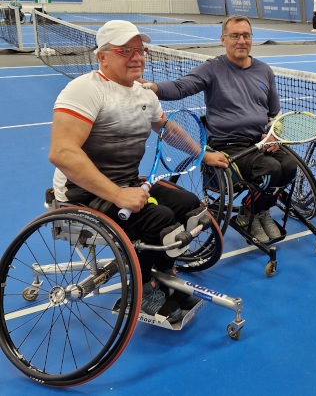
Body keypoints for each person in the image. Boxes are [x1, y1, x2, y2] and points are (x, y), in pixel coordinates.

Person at [48, 20, 228, 322]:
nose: (137, 57)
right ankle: (141, 289)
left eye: (140, 50)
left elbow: (167, 129)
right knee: (160, 220)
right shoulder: (84, 90)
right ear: (102, 57)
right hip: (83, 193)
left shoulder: (145, 93)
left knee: (190, 206)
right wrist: (118, 195)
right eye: (125, 51)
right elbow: (62, 153)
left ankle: (162, 273)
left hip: (128, 183)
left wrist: (203, 154)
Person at [143, 15, 297, 244]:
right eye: (235, 36)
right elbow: (181, 87)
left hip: (259, 142)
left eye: (246, 35)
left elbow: (275, 115)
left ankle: (258, 211)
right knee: (271, 169)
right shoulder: (212, 68)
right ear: (223, 39)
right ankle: (252, 213)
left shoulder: (264, 71)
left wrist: (274, 134)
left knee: (290, 166)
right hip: (227, 146)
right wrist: (150, 87)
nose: (241, 41)